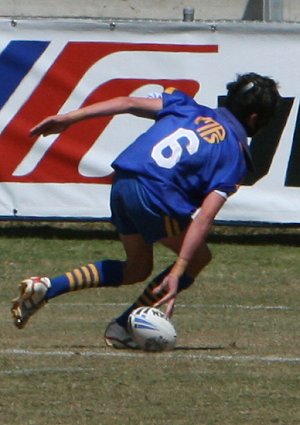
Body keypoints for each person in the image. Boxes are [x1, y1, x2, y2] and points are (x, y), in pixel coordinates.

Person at [11, 72, 280, 349]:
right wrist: (179, 270)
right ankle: (123, 327)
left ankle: (47, 287)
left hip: (124, 182)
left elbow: (126, 102)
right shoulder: (235, 154)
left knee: (137, 268)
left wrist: (69, 118)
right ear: (255, 119)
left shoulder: (185, 105)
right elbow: (205, 217)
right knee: (198, 257)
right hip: (156, 196)